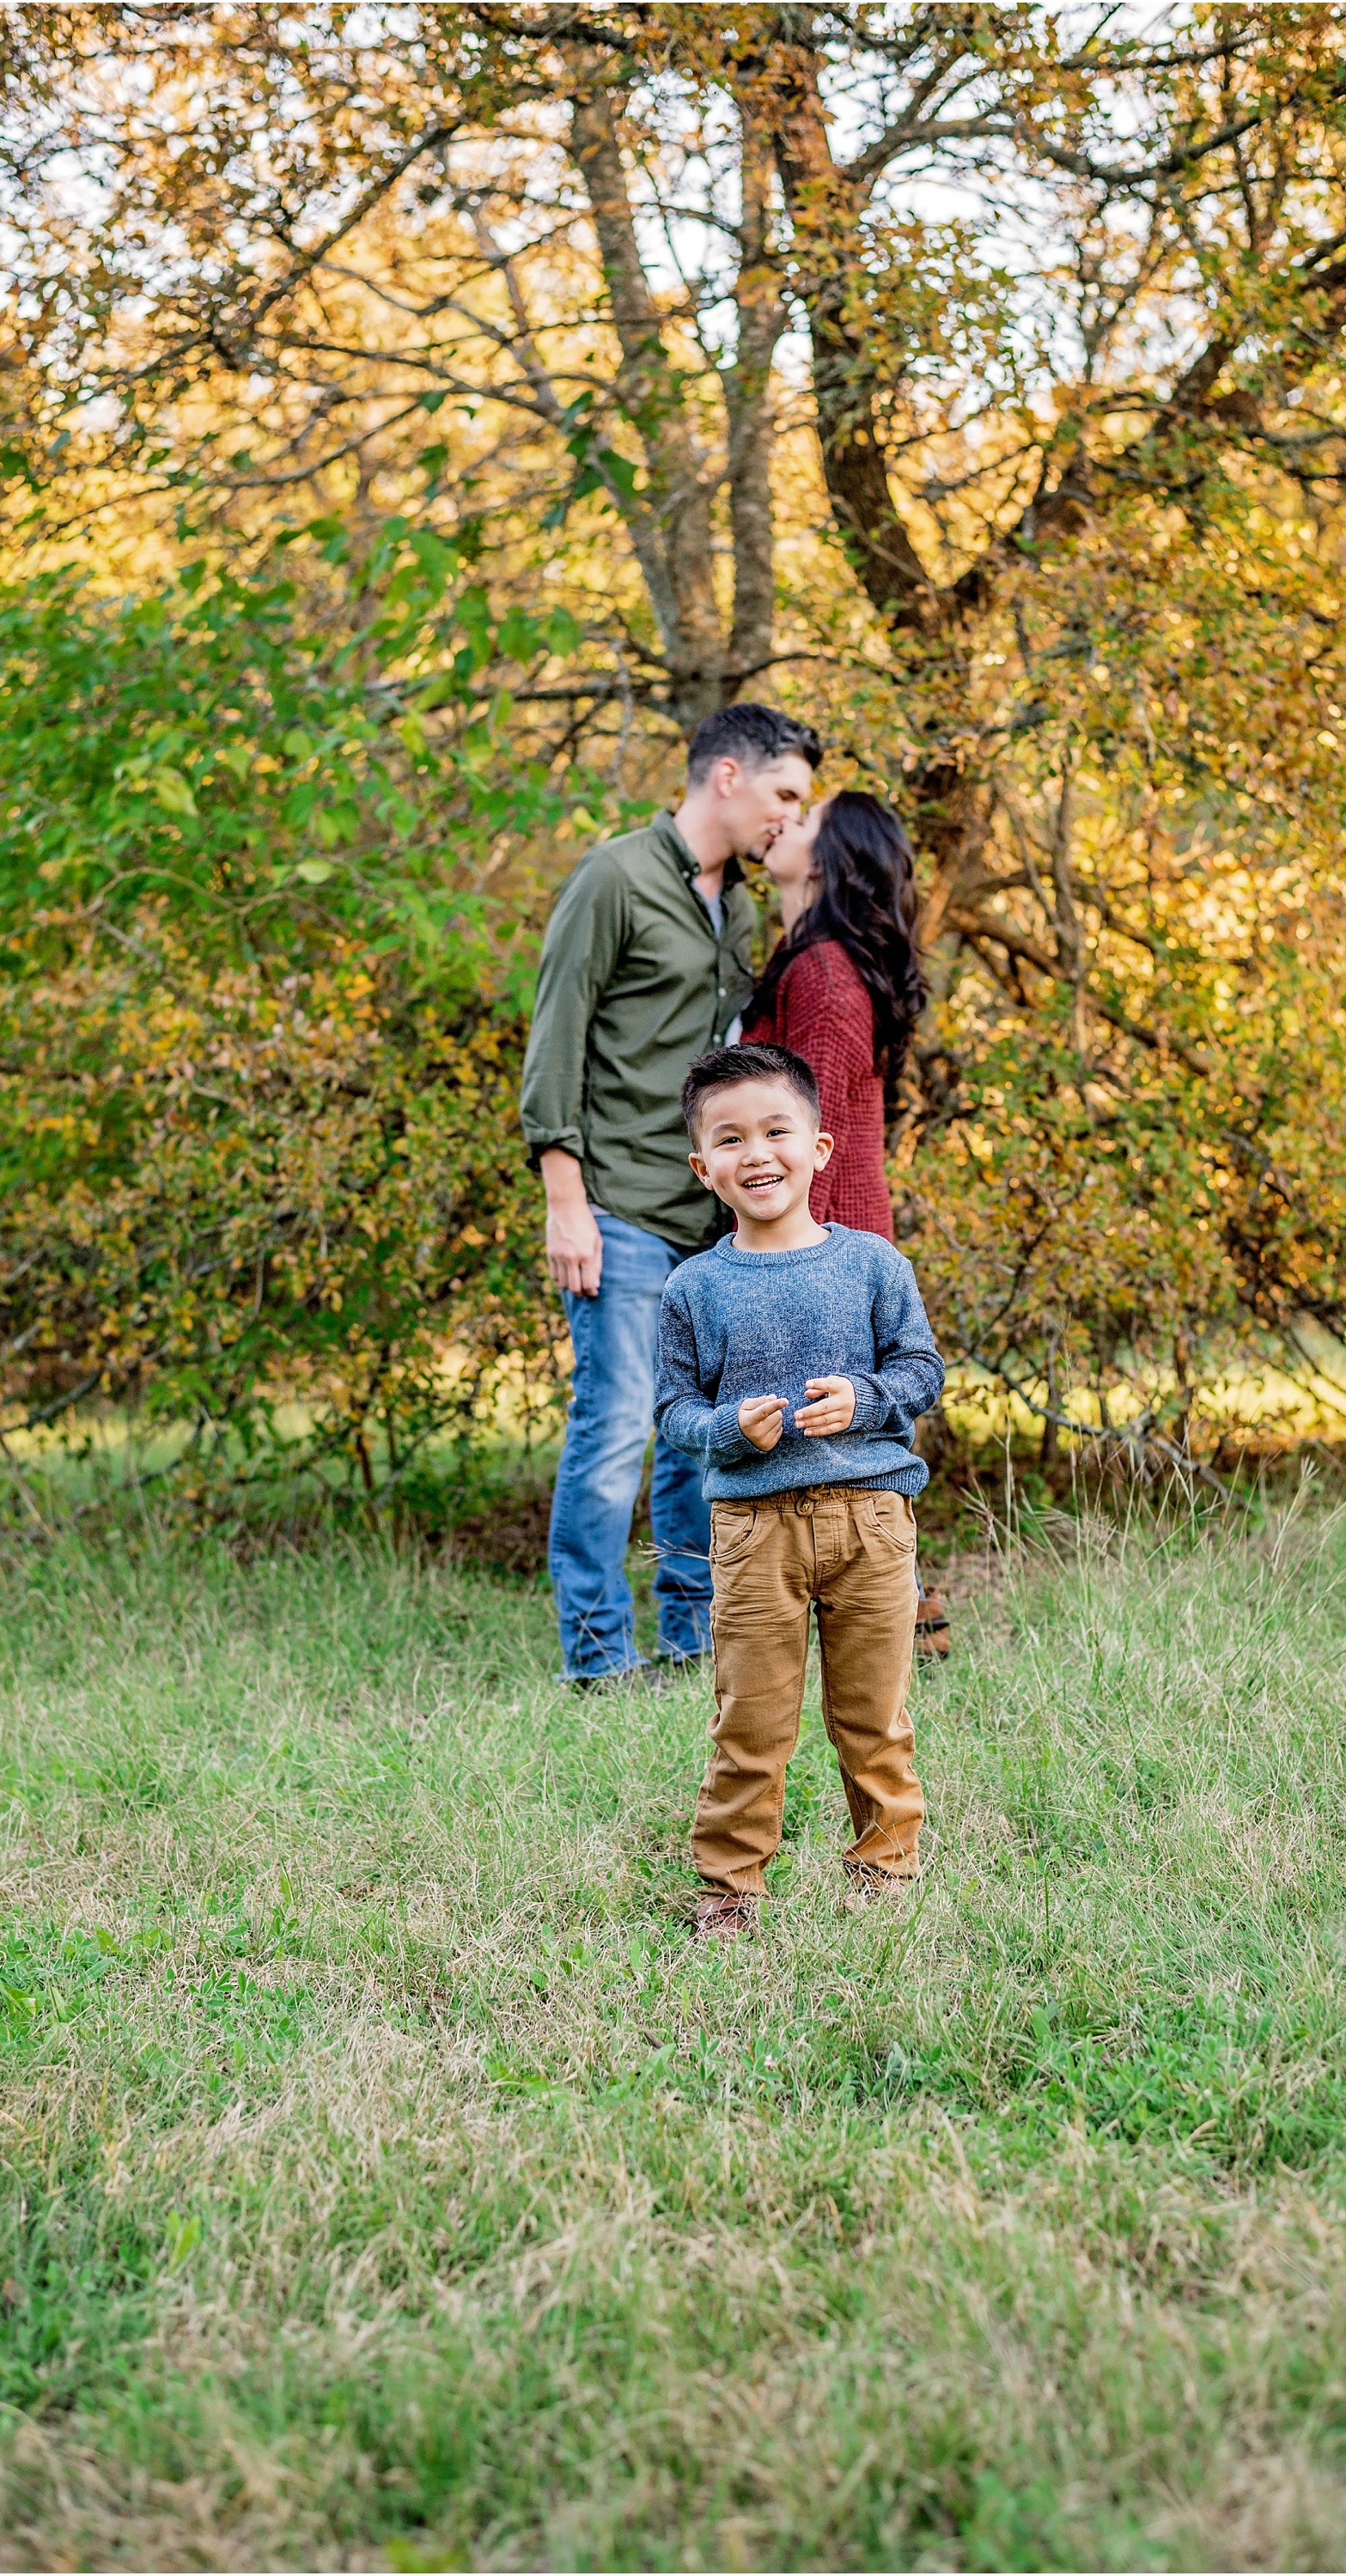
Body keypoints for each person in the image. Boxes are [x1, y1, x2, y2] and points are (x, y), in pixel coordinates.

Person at [520, 703, 822, 1684]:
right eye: (783, 793)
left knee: (700, 1435)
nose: (789, 816)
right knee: (613, 1428)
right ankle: (599, 1657)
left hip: (707, 1215)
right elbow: (557, 1036)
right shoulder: (614, 878)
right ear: (727, 775)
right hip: (618, 1205)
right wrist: (564, 1197)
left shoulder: (738, 907)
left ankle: (692, 1639)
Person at [654, 1042, 946, 1940]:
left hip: (870, 1521)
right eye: (730, 1139)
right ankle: (730, 1889)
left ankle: (885, 1872)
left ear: (819, 1148)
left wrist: (867, 1400)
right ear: (703, 1168)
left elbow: (922, 1370)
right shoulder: (693, 1288)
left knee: (872, 1717)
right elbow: (672, 1410)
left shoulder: (872, 1265)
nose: (757, 1154)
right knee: (750, 1721)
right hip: (753, 1531)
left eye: (776, 1131)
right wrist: (724, 1429)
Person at [741, 790, 951, 1657]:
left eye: (804, 816)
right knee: (835, 1448)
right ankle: (898, 1617)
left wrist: (785, 1263)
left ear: (829, 858)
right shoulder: (808, 958)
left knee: (837, 1455)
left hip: (823, 1244)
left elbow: (808, 1139)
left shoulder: (824, 975)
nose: (783, 819)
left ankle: (898, 1619)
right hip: (833, 1239)